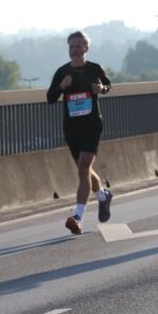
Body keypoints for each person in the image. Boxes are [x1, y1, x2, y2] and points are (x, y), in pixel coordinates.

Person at [46, 30, 114, 235]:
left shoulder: (94, 69)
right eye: (71, 47)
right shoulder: (62, 72)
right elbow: (50, 97)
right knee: (83, 169)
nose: (75, 50)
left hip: (92, 124)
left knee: (84, 166)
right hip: (71, 127)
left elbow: (109, 85)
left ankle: (78, 217)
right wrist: (61, 86)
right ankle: (103, 196)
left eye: (78, 46)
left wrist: (101, 89)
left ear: (86, 49)